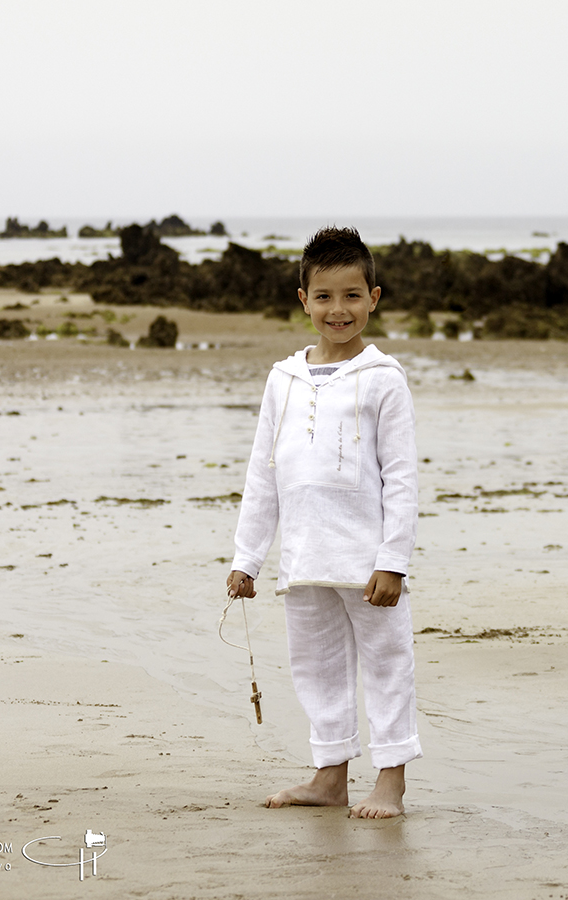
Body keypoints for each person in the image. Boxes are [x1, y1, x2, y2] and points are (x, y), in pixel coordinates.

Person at [227, 226, 421, 819]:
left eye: (352, 296)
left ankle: (390, 780)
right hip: (305, 558)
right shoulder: (281, 380)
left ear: (374, 298)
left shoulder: (383, 378)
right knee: (316, 667)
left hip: (367, 562)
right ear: (304, 300)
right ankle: (329, 776)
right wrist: (246, 558)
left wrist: (393, 561)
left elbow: (402, 477)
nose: (339, 310)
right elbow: (264, 475)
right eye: (325, 296)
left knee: (387, 665)